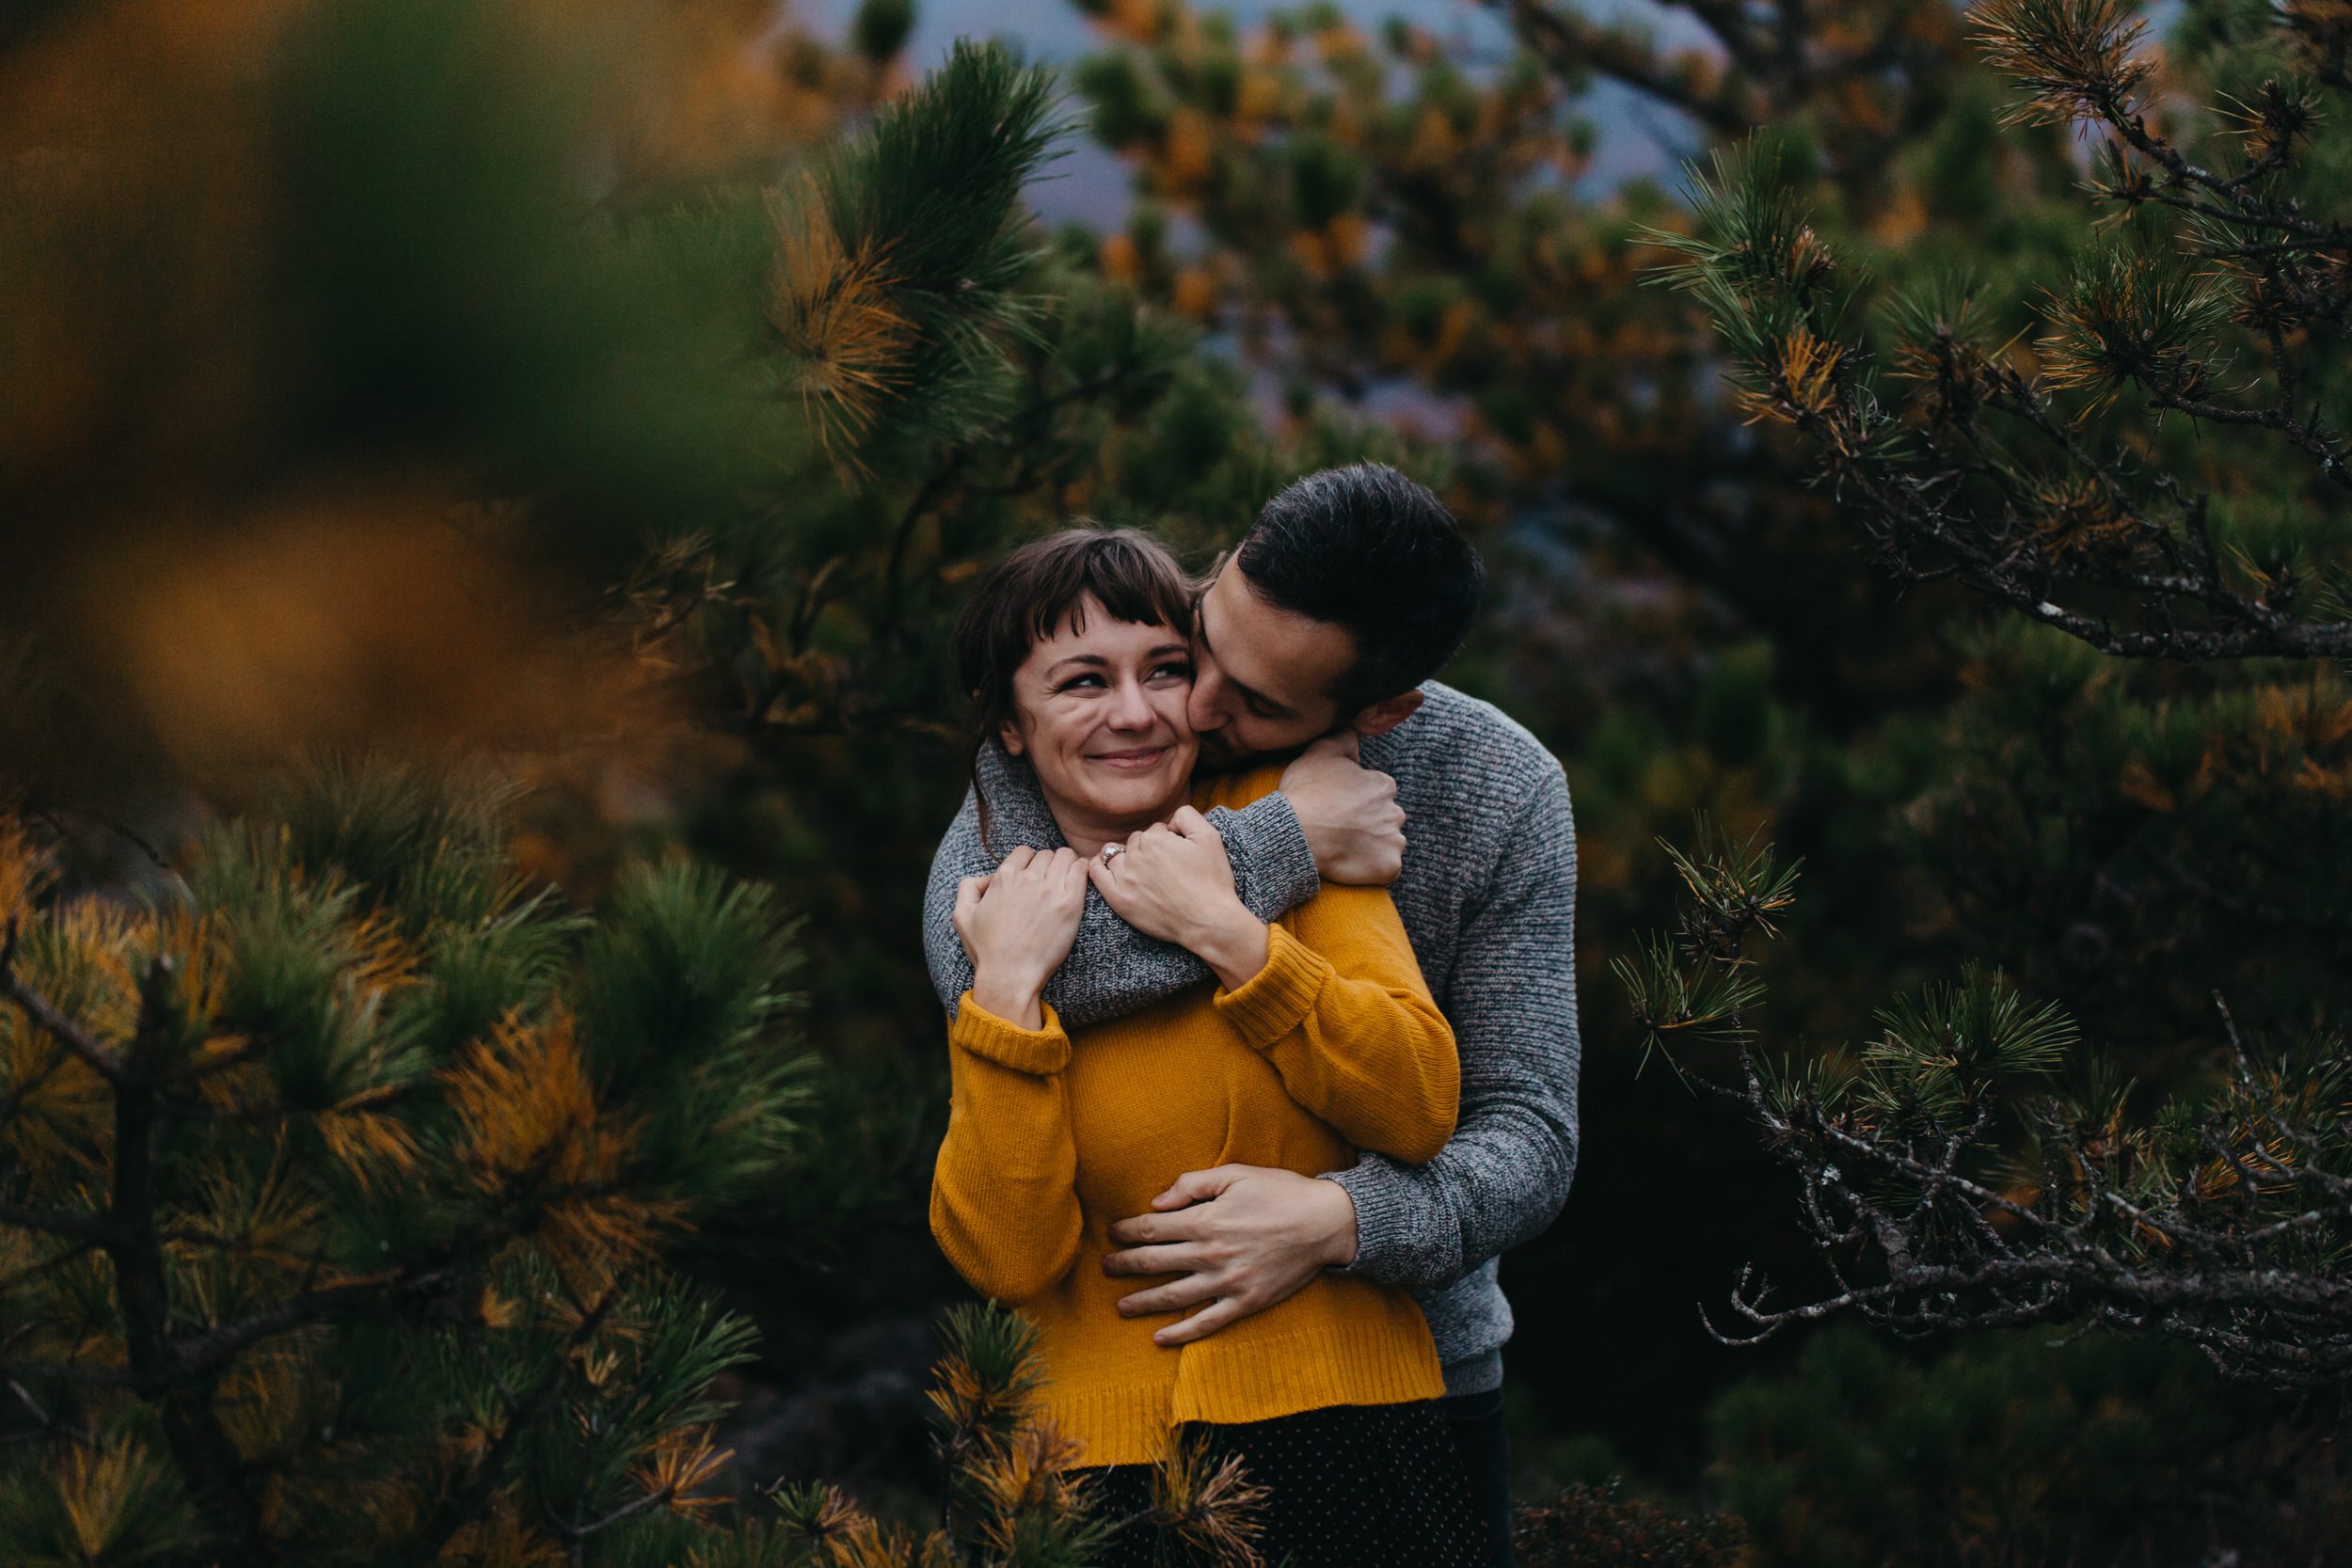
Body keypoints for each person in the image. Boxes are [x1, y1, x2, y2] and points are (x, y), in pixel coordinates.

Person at [925, 465, 1581, 1567]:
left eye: (1257, 701)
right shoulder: (1101, 708)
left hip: (1393, 1369)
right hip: (1099, 1402)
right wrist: (1279, 843)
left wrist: (1342, 1223)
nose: (1186, 706)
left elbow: (1527, 1133)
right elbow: (994, 965)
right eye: (1205, 641)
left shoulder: (1497, 788)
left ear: (1377, 711)